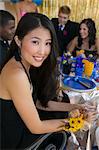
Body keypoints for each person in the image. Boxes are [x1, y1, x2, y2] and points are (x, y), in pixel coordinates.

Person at [0, 12, 96, 149]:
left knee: (63, 108)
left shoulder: (24, 63)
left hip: (23, 126)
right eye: (35, 42)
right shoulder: (16, 75)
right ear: (18, 41)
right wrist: (78, 122)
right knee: (64, 133)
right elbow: (36, 127)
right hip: (15, 140)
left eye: (47, 43)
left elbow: (38, 103)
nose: (42, 51)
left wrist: (76, 107)